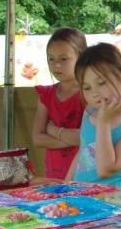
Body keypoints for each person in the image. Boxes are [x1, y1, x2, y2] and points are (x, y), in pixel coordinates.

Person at [67, 43, 121, 188]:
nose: (95, 93)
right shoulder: (91, 110)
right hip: (80, 198)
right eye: (86, 87)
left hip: (115, 203)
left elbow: (106, 170)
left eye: (101, 83)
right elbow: (83, 152)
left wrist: (104, 122)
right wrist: (66, 185)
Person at [32, 27, 87, 179]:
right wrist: (73, 137)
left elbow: (87, 138)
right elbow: (37, 139)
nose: (56, 65)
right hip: (54, 172)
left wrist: (53, 131)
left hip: (84, 171)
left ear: (81, 57)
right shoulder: (46, 95)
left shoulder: (89, 94)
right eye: (51, 59)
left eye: (64, 59)